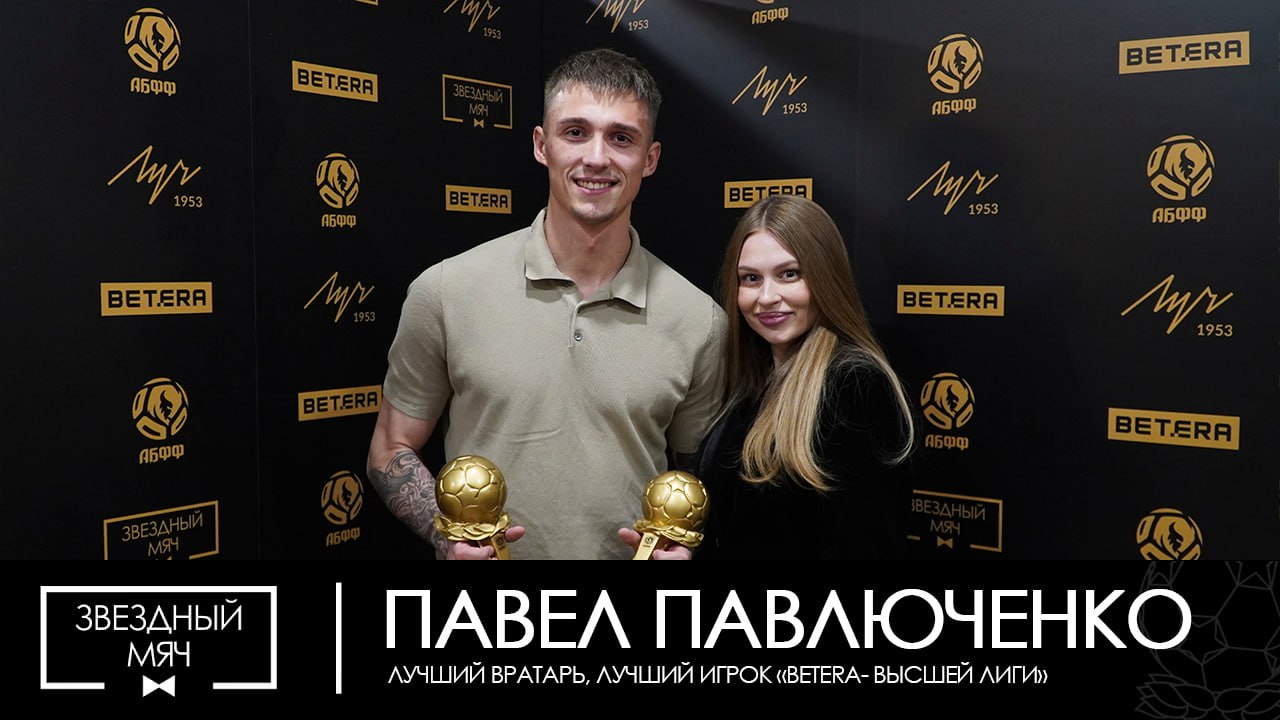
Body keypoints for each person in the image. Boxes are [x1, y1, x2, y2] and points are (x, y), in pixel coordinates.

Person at [367, 48, 726, 560]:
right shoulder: (445, 290)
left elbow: (695, 477)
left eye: (621, 138)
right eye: (575, 132)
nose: (596, 157)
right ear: (542, 145)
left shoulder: (699, 321)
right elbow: (390, 448)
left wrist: (680, 548)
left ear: (650, 159)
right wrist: (446, 537)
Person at [694, 194, 916, 561]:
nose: (767, 296)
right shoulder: (753, 383)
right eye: (751, 278)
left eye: (789, 274)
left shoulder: (854, 387)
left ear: (826, 277)